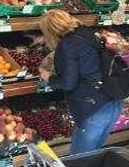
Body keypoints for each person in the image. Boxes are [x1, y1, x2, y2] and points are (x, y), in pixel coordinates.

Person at [38, 10, 124, 155]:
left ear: (51, 31)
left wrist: (48, 77)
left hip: (94, 107)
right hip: (113, 102)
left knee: (79, 159)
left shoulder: (67, 45)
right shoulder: (86, 33)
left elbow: (68, 82)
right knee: (93, 154)